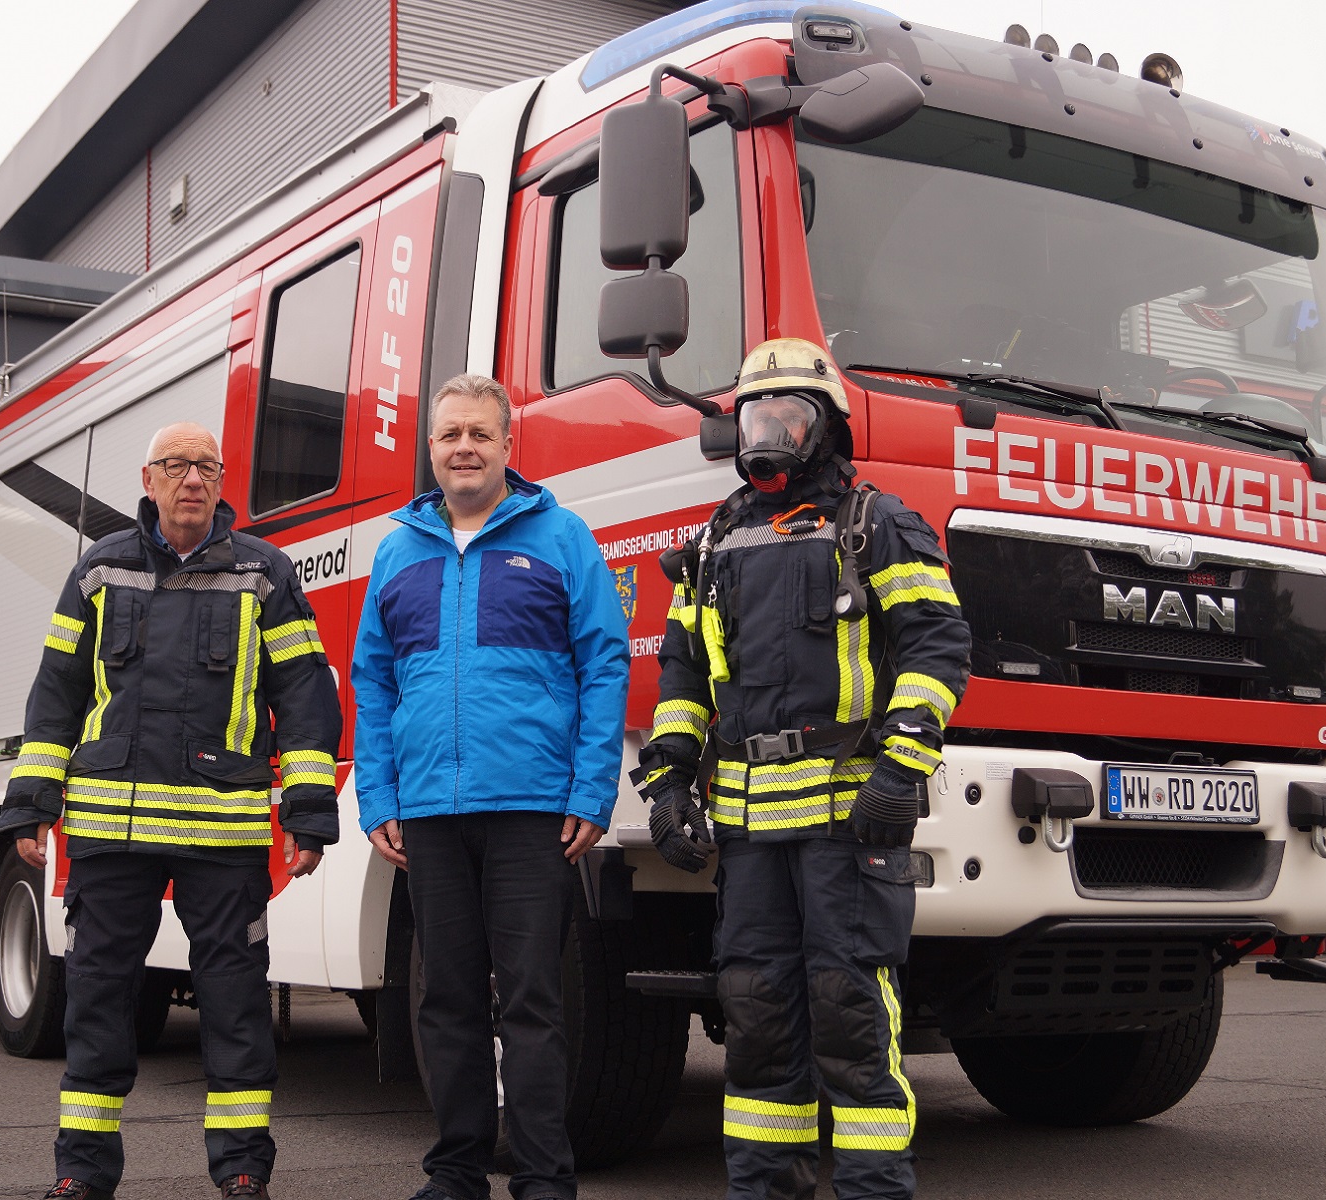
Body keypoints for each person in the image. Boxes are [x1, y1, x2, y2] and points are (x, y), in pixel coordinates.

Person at [634, 339, 972, 1200]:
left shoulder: (876, 522)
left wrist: (902, 769)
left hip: (848, 822)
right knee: (753, 1017)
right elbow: (682, 670)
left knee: (851, 1011)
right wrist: (669, 781)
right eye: (756, 415)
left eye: (790, 415)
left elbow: (939, 645)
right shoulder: (715, 541)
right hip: (749, 834)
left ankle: (872, 1190)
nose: (770, 431)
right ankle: (762, 1189)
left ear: (827, 431)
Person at [0, 422, 342, 1200]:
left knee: (236, 1008)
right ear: (148, 480)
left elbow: (306, 700)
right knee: (98, 1005)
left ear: (222, 483)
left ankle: (244, 1169)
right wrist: (31, 804)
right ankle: (81, 1175)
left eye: (206, 467)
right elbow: (56, 695)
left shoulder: (265, 574)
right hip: (110, 834)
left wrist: (309, 810)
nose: (192, 479)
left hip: (222, 839)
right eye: (176, 466)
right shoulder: (99, 568)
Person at [352, 373, 630, 1200]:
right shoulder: (399, 548)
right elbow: (372, 681)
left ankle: (544, 1175)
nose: (464, 447)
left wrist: (590, 792)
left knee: (533, 999)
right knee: (446, 1002)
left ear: (510, 446)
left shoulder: (562, 537)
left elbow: (604, 663)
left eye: (479, 433)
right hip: (430, 812)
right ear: (431, 450)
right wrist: (380, 798)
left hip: (531, 810)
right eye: (449, 435)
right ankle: (457, 1169)